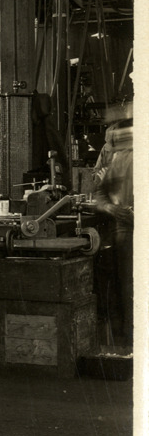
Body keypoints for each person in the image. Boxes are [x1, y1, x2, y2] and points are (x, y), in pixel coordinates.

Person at [90, 118, 134, 346]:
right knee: (127, 286)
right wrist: (110, 208)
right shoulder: (122, 159)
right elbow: (100, 192)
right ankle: (130, 340)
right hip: (127, 229)